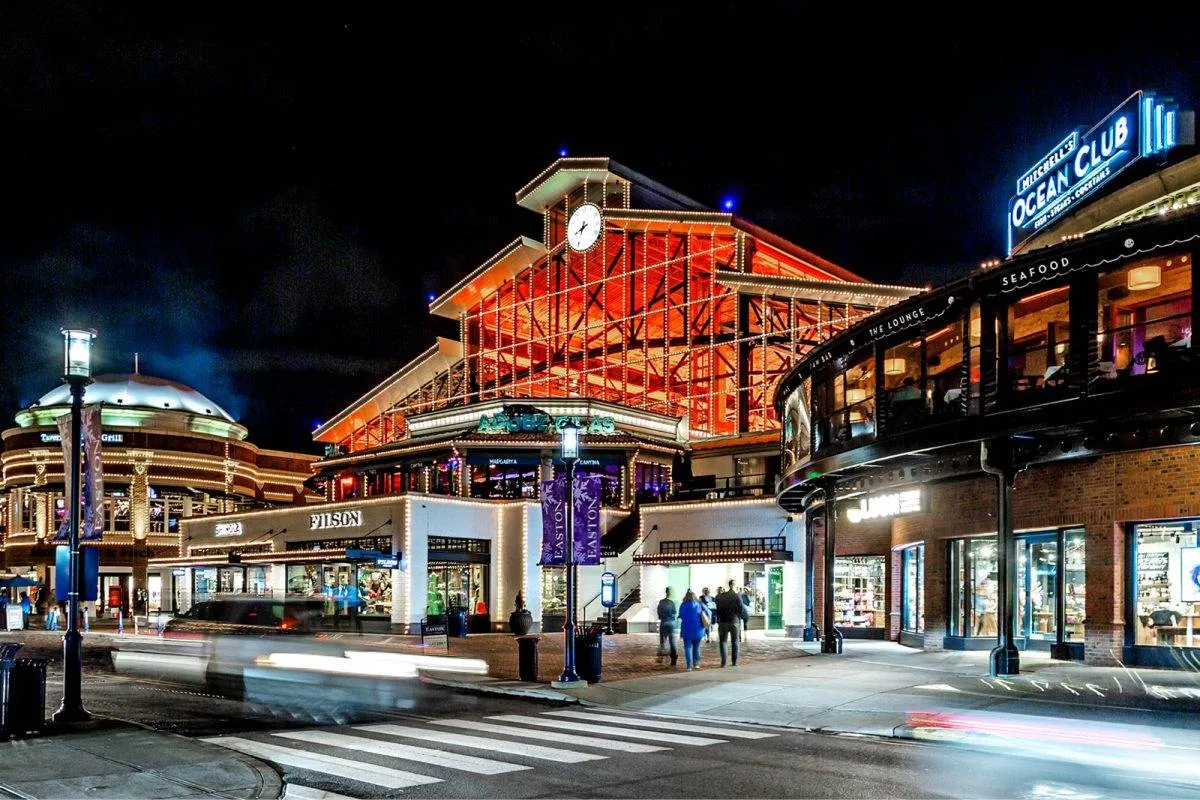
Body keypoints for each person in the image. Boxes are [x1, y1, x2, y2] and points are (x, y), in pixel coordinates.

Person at [716, 579, 744, 667]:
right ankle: (734, 661)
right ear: (734, 585)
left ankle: (723, 662)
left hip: (723, 621)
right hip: (734, 621)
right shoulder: (737, 596)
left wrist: (719, 617)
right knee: (735, 641)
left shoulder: (721, 596)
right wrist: (738, 617)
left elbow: (718, 609)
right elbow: (741, 609)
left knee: (723, 641)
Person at [677, 590, 708, 671]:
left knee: (688, 647)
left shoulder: (683, 605)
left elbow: (680, 615)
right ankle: (696, 664)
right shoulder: (699, 604)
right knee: (697, 647)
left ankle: (689, 666)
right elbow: (707, 612)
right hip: (698, 630)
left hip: (687, 630)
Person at [656, 587, 678, 666]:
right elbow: (674, 612)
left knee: (662, 641)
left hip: (663, 622)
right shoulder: (672, 602)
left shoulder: (661, 602)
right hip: (671, 623)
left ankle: (661, 657)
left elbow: (658, 612)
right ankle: (673, 659)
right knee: (672, 642)